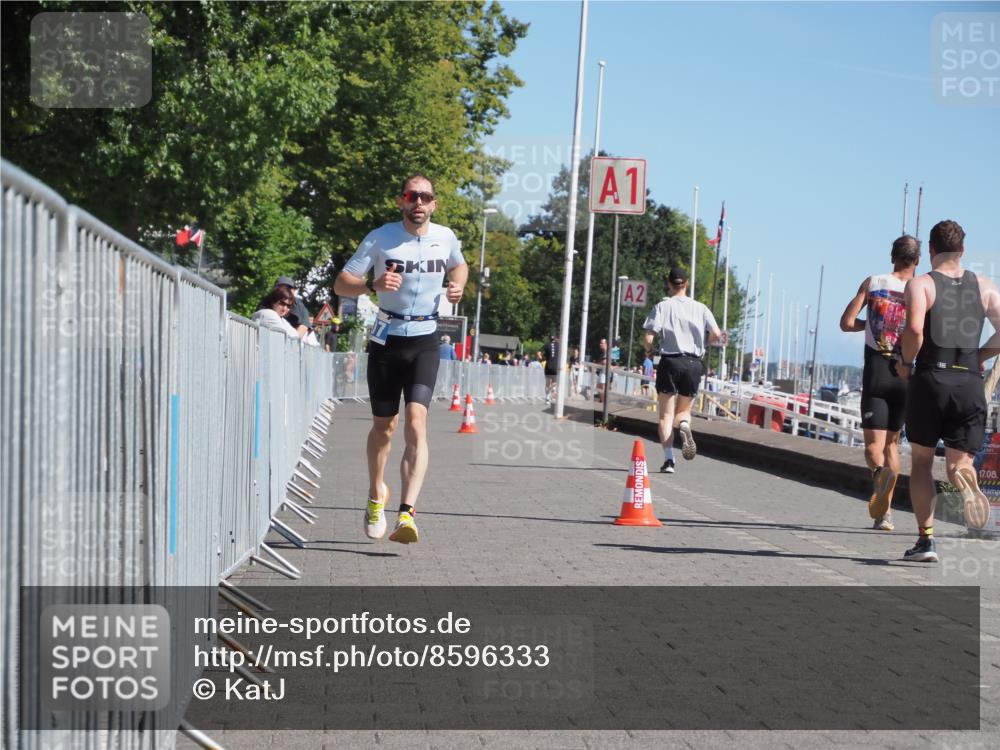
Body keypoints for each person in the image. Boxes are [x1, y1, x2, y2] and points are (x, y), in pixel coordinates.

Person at [334, 174, 468, 544]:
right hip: (387, 340)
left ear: (434, 204)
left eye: (426, 197)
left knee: (417, 420)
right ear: (401, 201)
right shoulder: (381, 237)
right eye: (412, 196)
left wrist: (458, 284)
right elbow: (341, 283)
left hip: (425, 338)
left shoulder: (446, 237)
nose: (419, 203)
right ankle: (377, 493)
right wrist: (371, 286)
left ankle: (407, 513)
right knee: (384, 427)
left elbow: (459, 264)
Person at [896, 220, 1000, 562]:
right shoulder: (983, 285)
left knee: (923, 463)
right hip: (969, 382)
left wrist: (905, 362)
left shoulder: (921, 284)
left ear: (930, 249)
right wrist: (981, 354)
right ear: (963, 251)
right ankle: (965, 479)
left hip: (931, 379)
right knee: (958, 463)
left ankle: (926, 541)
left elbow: (913, 329)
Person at [839, 235, 920, 531]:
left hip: (876, 370)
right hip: (905, 373)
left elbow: (846, 322)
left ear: (892, 256)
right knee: (893, 446)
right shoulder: (922, 289)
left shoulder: (873, 282)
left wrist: (871, 326)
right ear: (917, 261)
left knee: (873, 447)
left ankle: (878, 479)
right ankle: (886, 515)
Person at [643, 267, 722, 474]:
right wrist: (704, 343)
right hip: (694, 363)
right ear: (686, 284)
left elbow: (648, 337)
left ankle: (669, 460)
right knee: (683, 411)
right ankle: (685, 425)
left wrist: (650, 351)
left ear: (669, 284)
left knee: (665, 415)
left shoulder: (662, 306)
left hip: (670, 361)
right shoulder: (701, 308)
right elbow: (716, 333)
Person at [543, 335, 559, 404]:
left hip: (548, 366)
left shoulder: (546, 345)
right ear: (555, 339)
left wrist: (543, 358)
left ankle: (547, 397)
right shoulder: (559, 346)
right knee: (554, 382)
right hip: (555, 367)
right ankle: (552, 396)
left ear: (550, 339)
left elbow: (540, 354)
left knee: (547, 383)